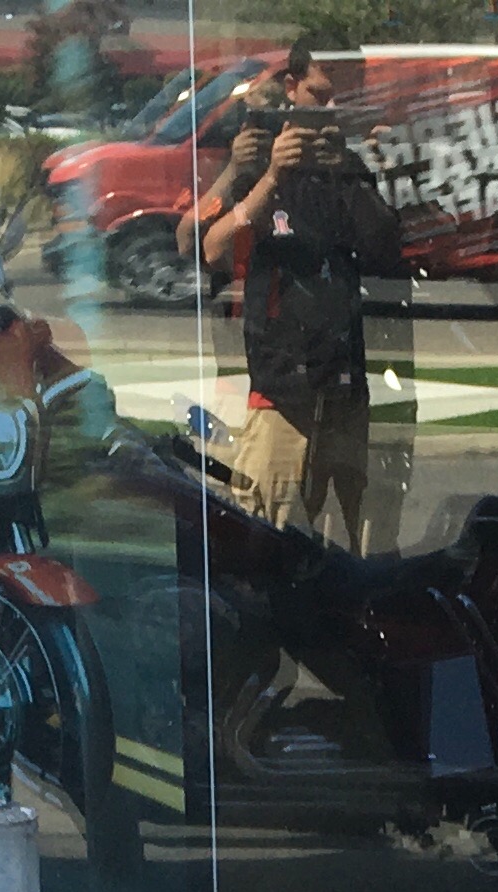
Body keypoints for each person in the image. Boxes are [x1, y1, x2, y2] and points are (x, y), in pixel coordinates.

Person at [194, 49, 406, 544]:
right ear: (291, 89)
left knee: (357, 538)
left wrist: (349, 173)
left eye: (339, 104)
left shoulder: (347, 168)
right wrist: (271, 175)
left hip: (344, 386)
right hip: (281, 391)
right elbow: (210, 246)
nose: (325, 115)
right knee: (267, 539)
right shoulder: (263, 158)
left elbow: (386, 250)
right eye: (318, 98)